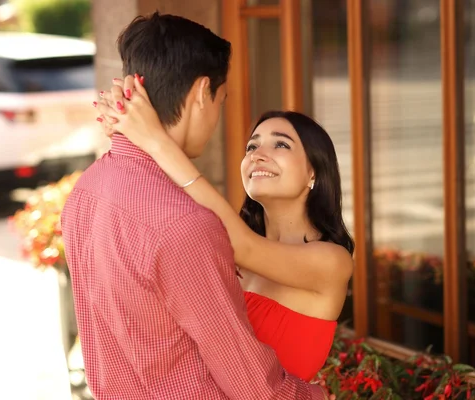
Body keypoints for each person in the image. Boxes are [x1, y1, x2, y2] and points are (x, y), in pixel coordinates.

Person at [62, 12, 330, 399]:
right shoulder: (183, 224)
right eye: (222, 100)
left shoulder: (86, 191)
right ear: (203, 93)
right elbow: (255, 387)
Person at [95, 76, 355, 383]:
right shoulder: (227, 246)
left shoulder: (332, 261)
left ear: (314, 171)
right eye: (252, 146)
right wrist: (128, 127)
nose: (257, 153)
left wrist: (153, 138)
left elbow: (243, 246)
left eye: (281, 144)